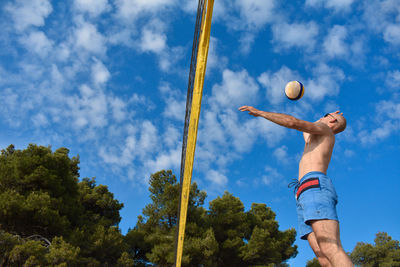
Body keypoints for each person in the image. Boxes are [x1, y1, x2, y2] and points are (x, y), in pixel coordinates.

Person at [238, 106, 353, 267]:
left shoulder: (325, 130)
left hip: (315, 187)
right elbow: (305, 130)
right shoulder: (314, 137)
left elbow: (293, 122)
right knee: (323, 259)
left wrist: (260, 112)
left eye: (325, 115)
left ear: (332, 121)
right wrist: (327, 116)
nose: (321, 117)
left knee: (330, 247)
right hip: (303, 192)